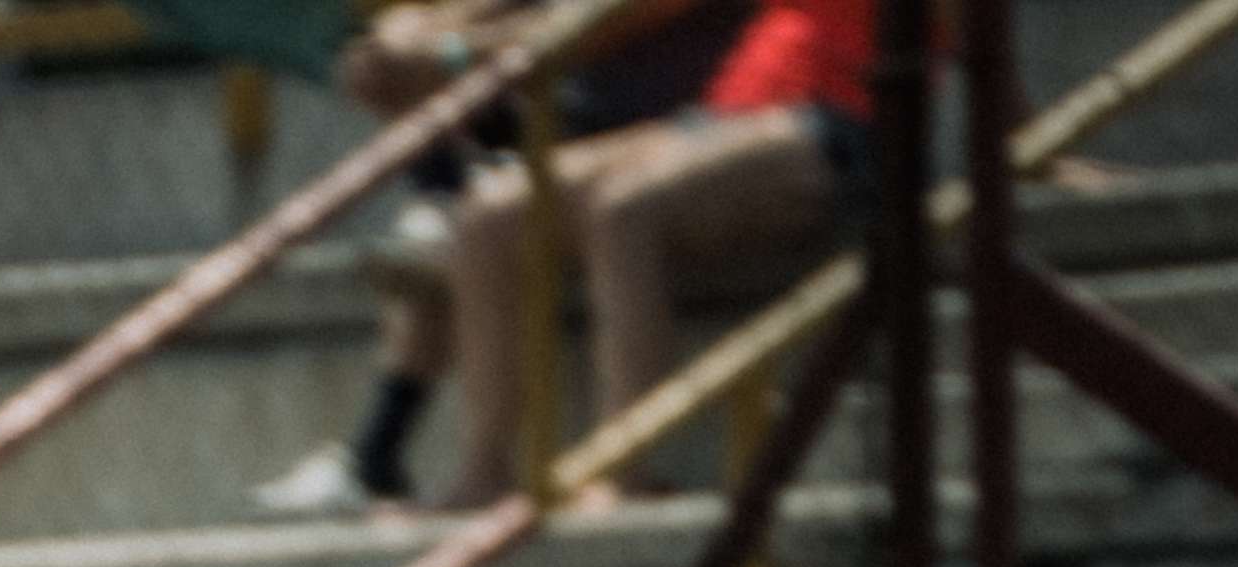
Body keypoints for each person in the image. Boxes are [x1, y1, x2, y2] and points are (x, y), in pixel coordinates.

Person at [252, 0, 738, 515]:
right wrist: (422, 34)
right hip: (563, 110)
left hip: (676, 126)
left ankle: (623, 468)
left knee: (499, 214)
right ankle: (409, 461)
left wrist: (453, 53)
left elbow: (594, 24)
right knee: (406, 56)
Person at [433, 0, 880, 511]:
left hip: (835, 124)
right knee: (489, 214)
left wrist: (456, 48)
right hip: (719, 119)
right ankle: (485, 473)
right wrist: (445, 30)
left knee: (623, 209)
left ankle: (625, 469)